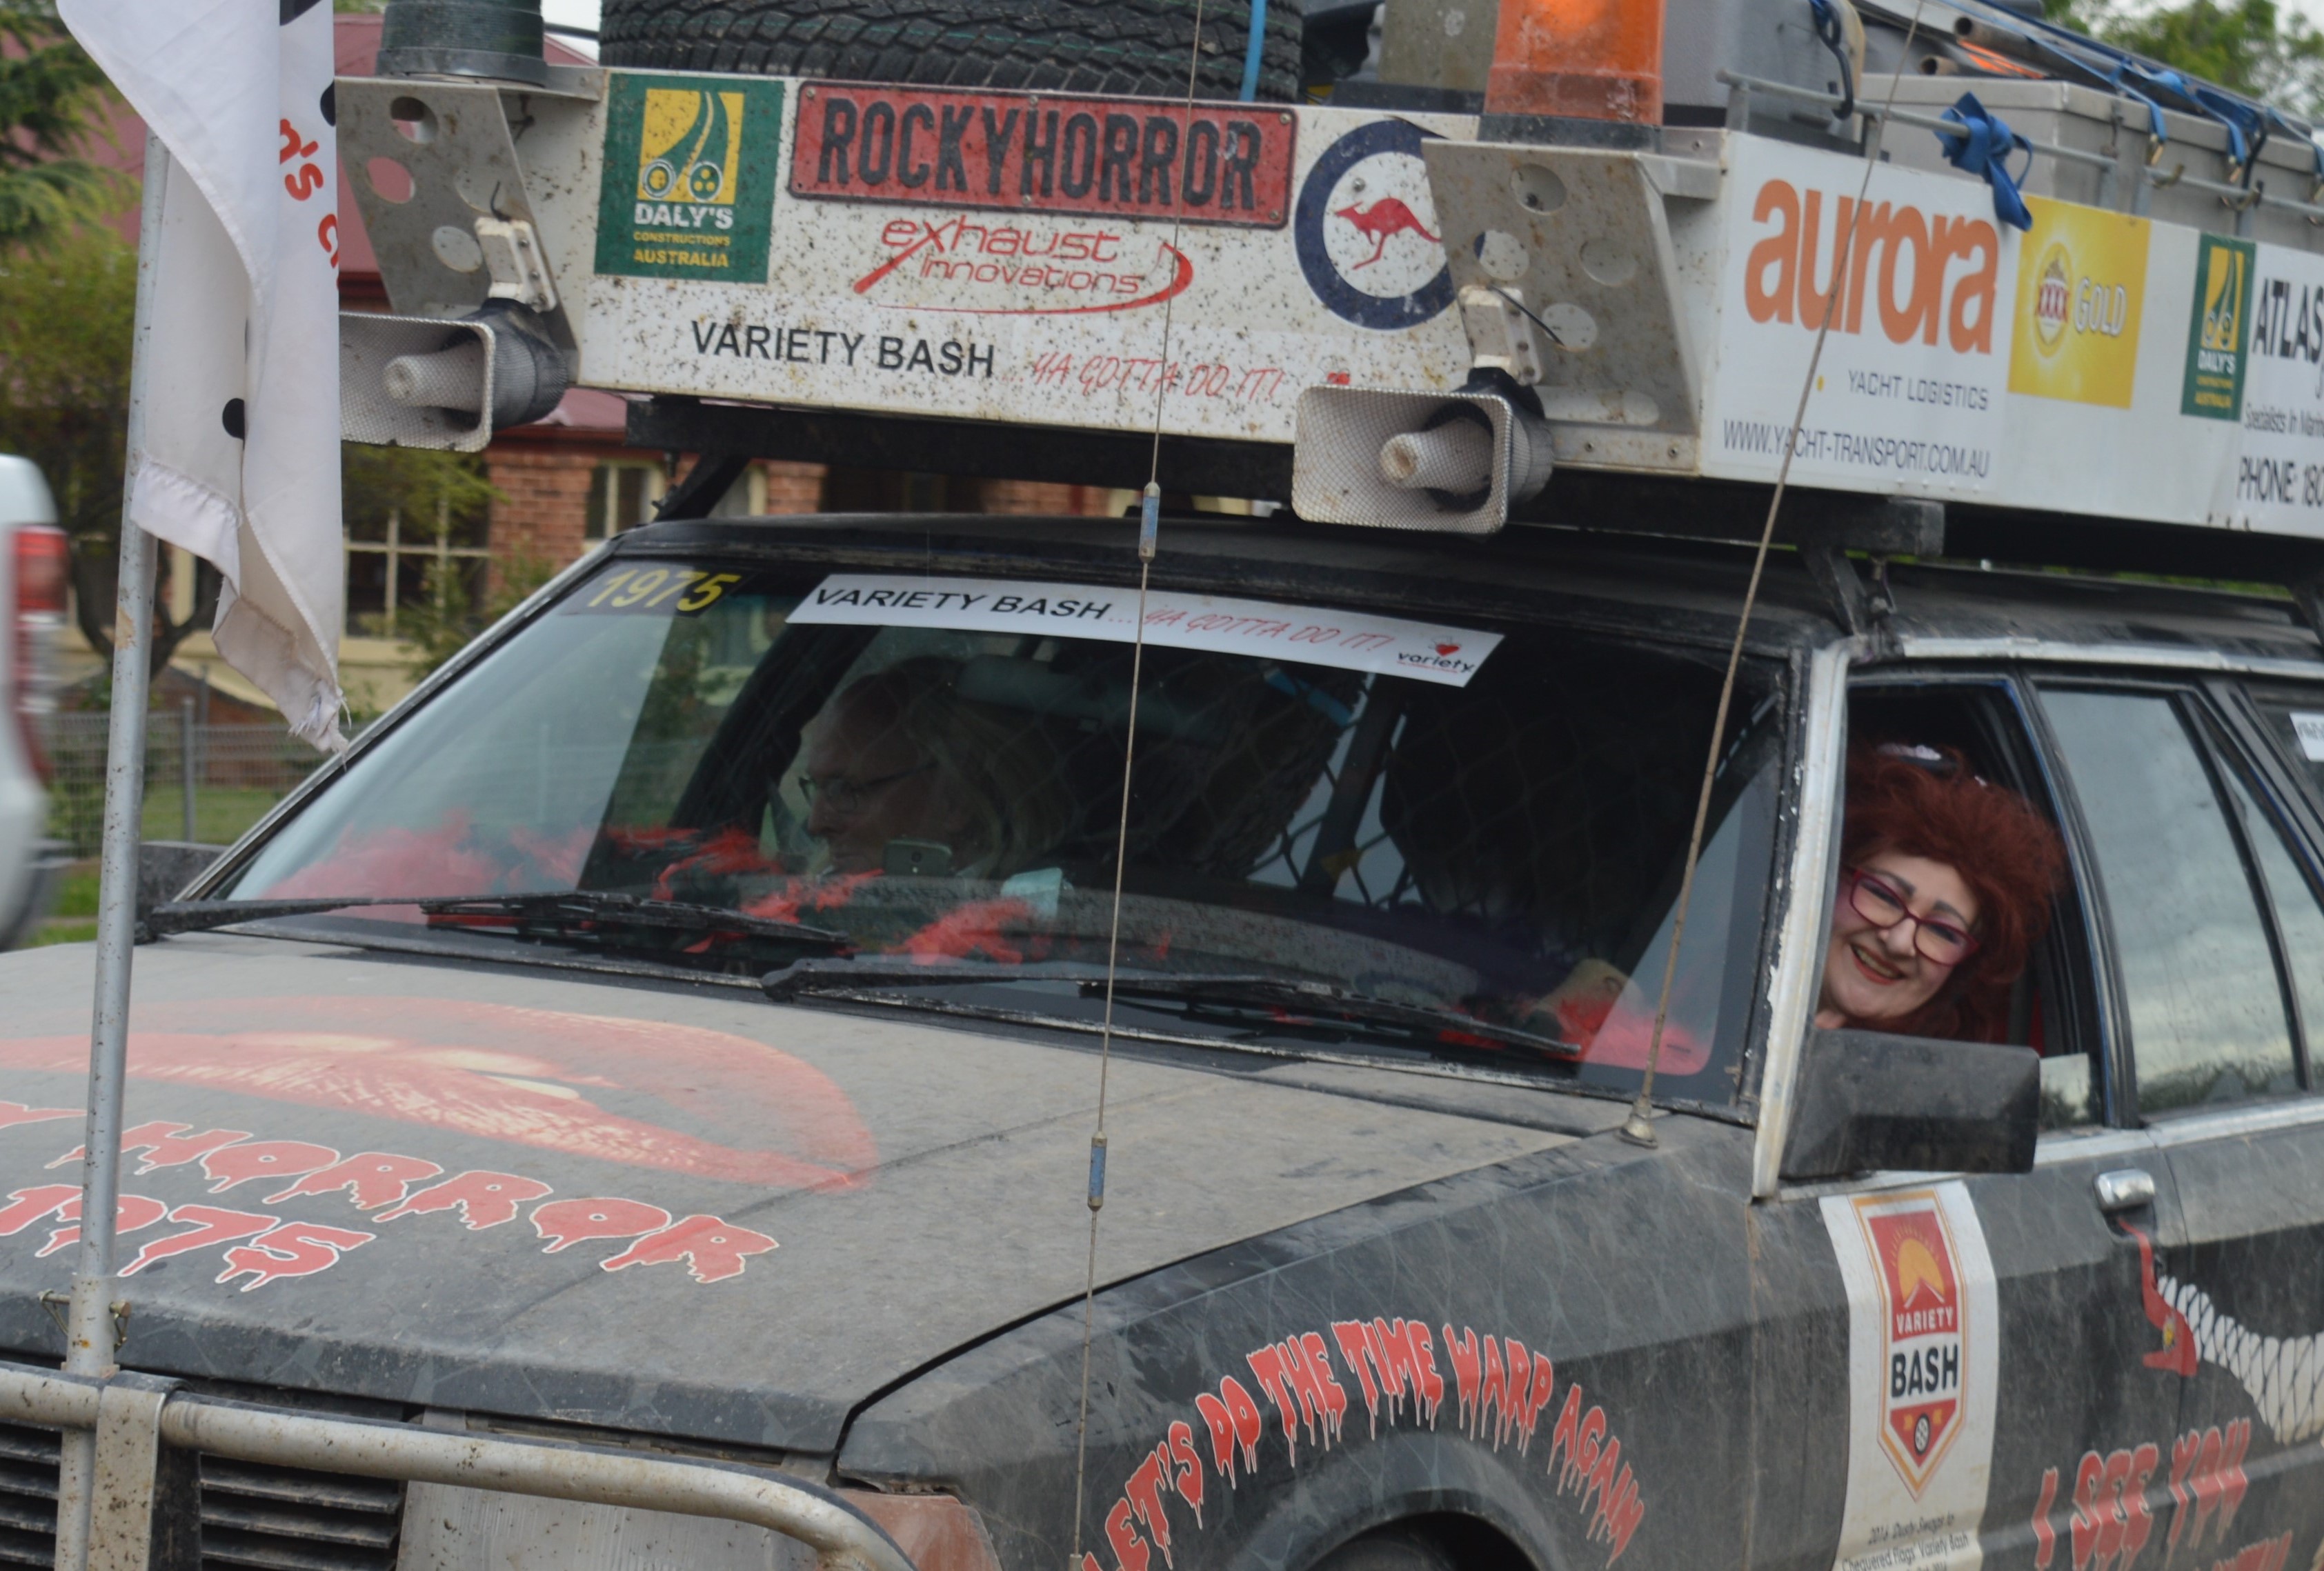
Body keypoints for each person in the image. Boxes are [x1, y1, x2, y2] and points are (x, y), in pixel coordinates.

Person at [1814, 743, 2067, 1042]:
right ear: (1824, 878)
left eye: (1943, 931)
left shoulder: (1942, 1084)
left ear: (1963, 970)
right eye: (1884, 896)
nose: (1899, 942)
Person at [795, 656, 1073, 879]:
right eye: (818, 787)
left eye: (845, 791)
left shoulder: (1028, 927)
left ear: (955, 801)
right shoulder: (815, 901)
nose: (815, 824)